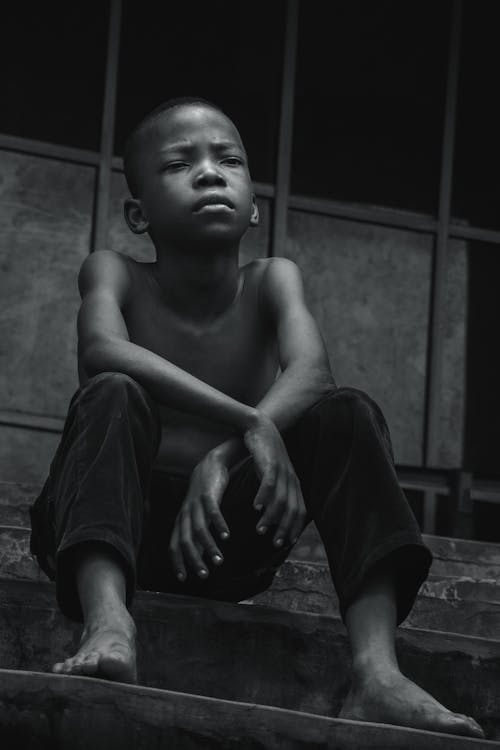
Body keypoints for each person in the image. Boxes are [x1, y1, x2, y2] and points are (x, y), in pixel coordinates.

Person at [29, 96, 483, 738]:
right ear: (137, 214)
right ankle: (109, 622)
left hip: (220, 543)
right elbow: (101, 349)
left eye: (229, 160)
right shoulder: (117, 273)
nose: (211, 173)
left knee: (346, 412)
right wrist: (252, 420)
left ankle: (377, 673)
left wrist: (223, 456)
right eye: (180, 164)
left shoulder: (273, 280)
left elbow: (314, 372)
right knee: (112, 390)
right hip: (106, 532)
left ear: (254, 206)